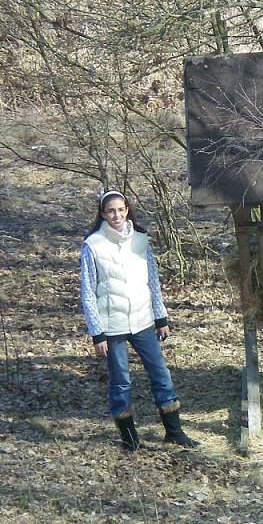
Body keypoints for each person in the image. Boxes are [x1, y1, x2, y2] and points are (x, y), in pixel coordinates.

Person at [80, 190, 199, 450]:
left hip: (143, 320)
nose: (116, 215)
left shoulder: (141, 240)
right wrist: (97, 333)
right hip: (112, 327)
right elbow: (87, 291)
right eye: (110, 211)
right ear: (103, 214)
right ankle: (130, 439)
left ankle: (175, 432)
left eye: (120, 210)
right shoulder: (93, 245)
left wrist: (160, 316)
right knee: (121, 381)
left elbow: (152, 281)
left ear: (127, 210)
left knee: (161, 375)